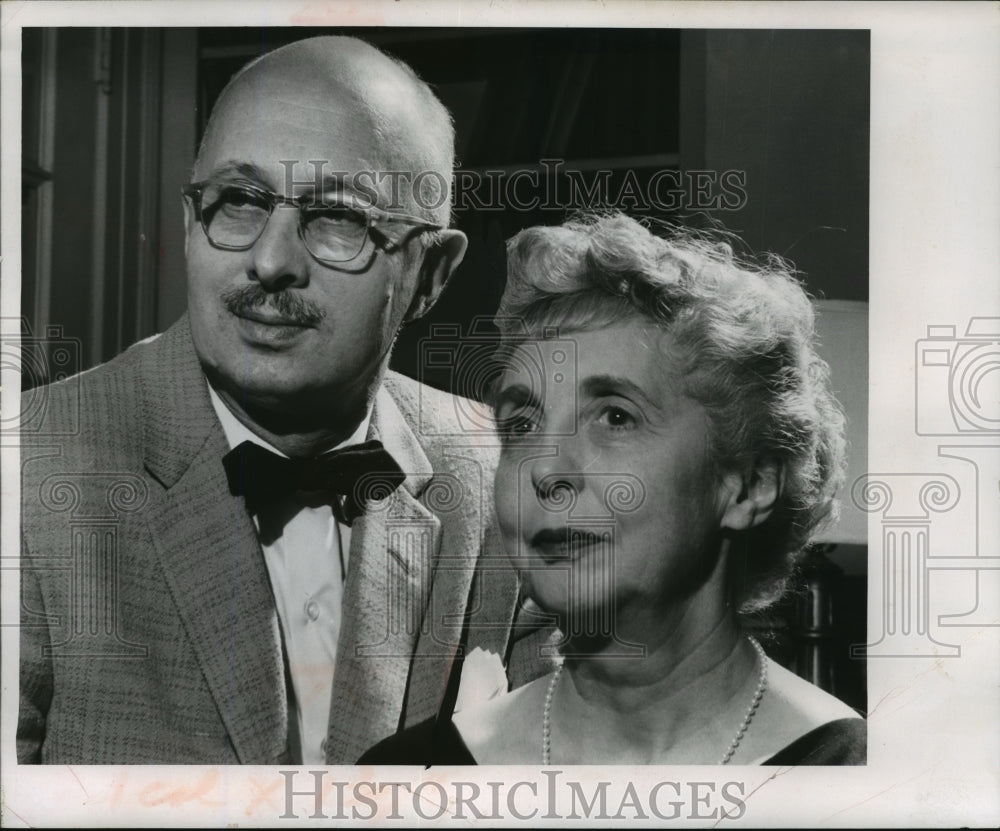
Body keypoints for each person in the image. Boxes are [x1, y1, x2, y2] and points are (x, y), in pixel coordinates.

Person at [18, 36, 544, 765]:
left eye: (338, 219)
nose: (270, 262)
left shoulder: (507, 476)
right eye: (238, 201)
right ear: (186, 219)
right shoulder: (27, 473)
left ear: (431, 273)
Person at [359, 212, 866, 765]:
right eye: (522, 425)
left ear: (749, 485)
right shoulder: (409, 777)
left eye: (615, 418)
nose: (545, 471)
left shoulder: (863, 781)